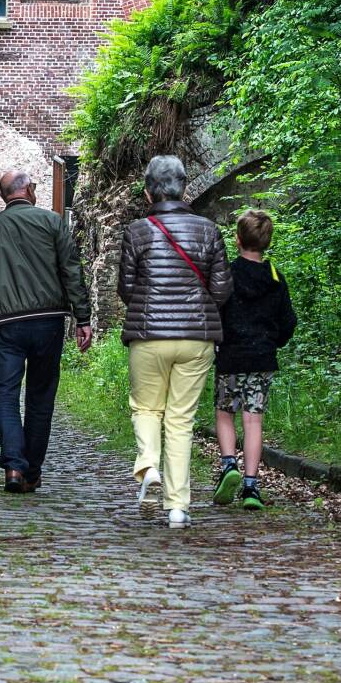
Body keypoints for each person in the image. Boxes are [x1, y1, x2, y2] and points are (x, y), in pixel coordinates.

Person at [118, 154, 232, 528]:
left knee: (147, 409)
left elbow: (126, 289)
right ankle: (178, 507)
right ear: (184, 187)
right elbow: (221, 290)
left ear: (149, 192)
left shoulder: (137, 232)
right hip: (196, 339)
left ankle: (148, 465)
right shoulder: (209, 230)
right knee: (181, 421)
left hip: (149, 335)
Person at [0, 170, 95, 494]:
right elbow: (71, 270)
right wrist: (82, 318)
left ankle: (13, 466)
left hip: (4, 325)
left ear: (5, 196)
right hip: (46, 321)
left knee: (5, 394)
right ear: (27, 190)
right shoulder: (53, 223)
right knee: (41, 396)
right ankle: (33, 471)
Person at [211, 210, 297, 510]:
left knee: (225, 413)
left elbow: (215, 312)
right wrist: (274, 342)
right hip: (262, 358)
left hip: (231, 356)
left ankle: (228, 464)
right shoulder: (276, 278)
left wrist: (215, 342)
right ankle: (251, 486)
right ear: (268, 242)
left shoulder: (227, 274)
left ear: (237, 239)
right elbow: (288, 321)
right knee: (253, 420)